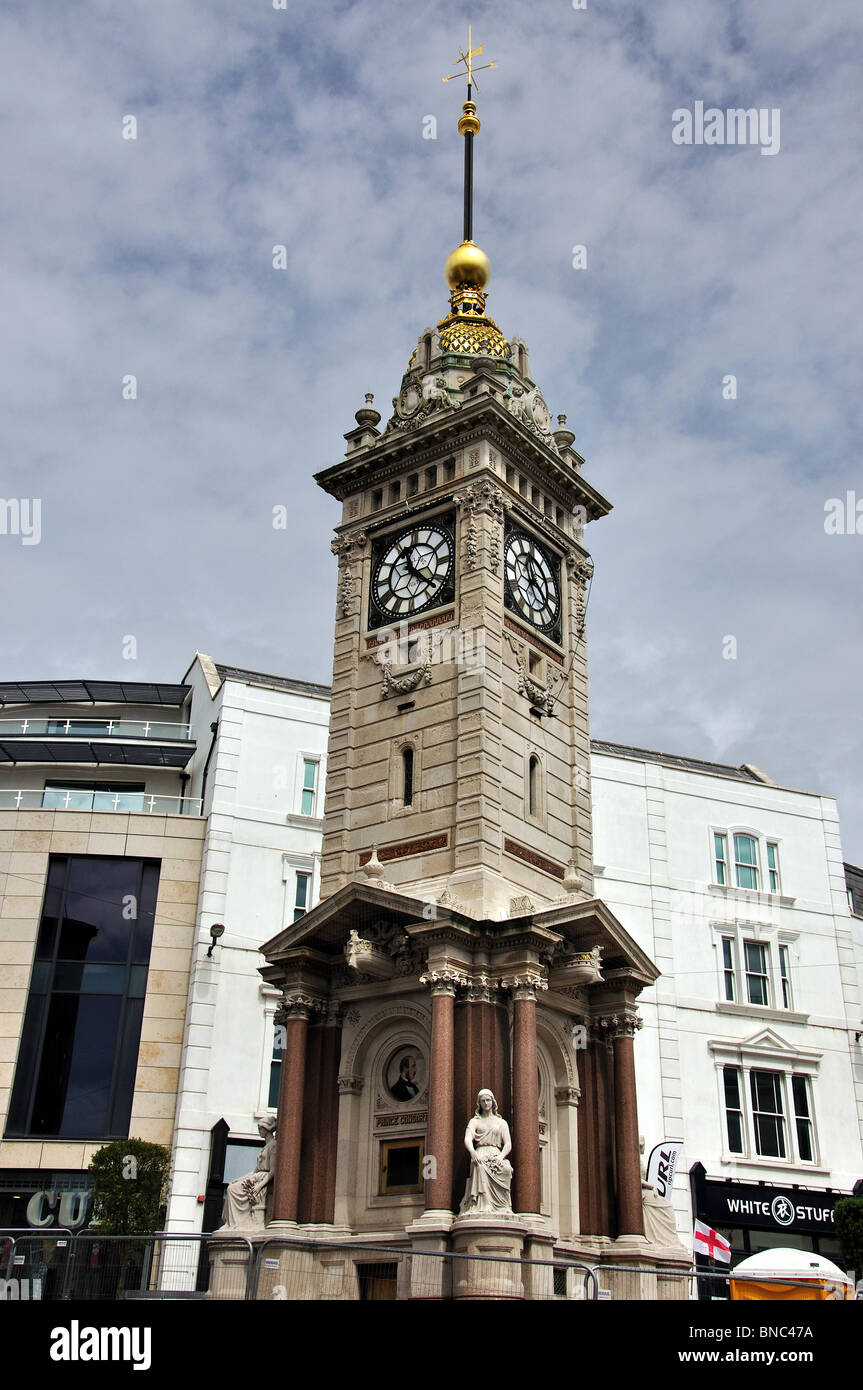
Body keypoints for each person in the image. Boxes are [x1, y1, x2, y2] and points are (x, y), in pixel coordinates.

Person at [459, 1088, 513, 1215]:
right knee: (481, 1166)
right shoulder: (475, 1121)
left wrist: (500, 1157)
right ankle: (483, 1204)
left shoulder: (501, 1122)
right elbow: (467, 1138)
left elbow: (508, 1144)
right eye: (483, 1101)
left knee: (506, 1169)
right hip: (480, 1153)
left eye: (488, 1100)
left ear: (493, 1102)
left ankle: (503, 1206)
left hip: (497, 1154)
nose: (486, 1103)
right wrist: (473, 1152)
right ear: (479, 1103)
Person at [220, 1117, 277, 1229]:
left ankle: (235, 1223)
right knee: (231, 1186)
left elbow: (273, 1171)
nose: (259, 1131)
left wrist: (259, 1186)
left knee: (232, 1190)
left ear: (266, 1129)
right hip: (257, 1176)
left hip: (262, 1179)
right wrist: (239, 1179)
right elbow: (255, 1170)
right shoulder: (266, 1146)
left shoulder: (273, 1145)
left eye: (260, 1128)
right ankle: (231, 1223)